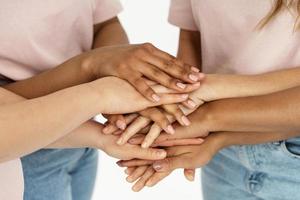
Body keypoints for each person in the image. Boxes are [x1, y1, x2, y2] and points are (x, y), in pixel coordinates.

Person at [0, 0, 203, 199]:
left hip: (83, 133)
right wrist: (97, 74)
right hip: (23, 147)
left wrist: (118, 76)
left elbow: (105, 24)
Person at [117, 1, 300, 199]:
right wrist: (177, 108)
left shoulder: (208, 116)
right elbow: (193, 34)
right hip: (221, 153)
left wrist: (208, 107)